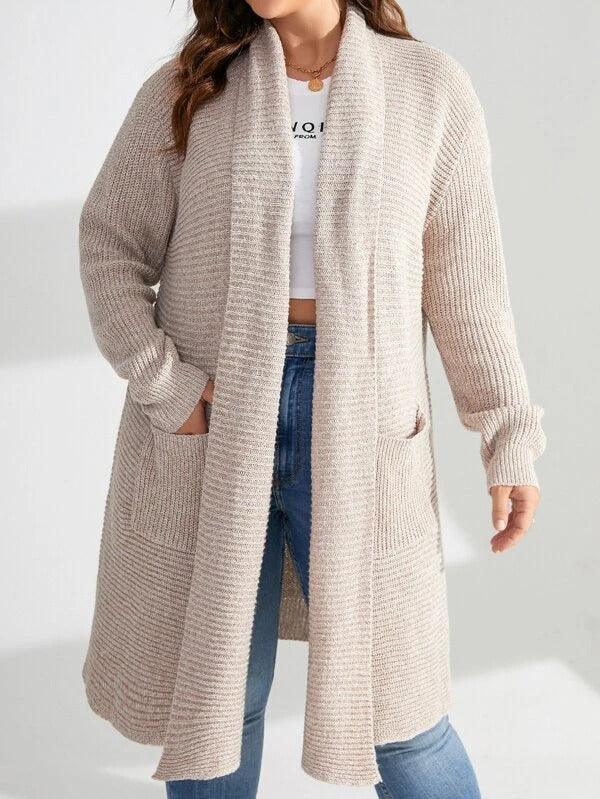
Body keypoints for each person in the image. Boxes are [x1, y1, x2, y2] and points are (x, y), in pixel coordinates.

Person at [78, 1, 546, 797]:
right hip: (217, 417)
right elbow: (109, 243)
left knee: (400, 713)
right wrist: (168, 387)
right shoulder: (193, 86)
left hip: (365, 424)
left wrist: (507, 435)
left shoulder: (429, 89)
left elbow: (466, 285)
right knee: (218, 702)